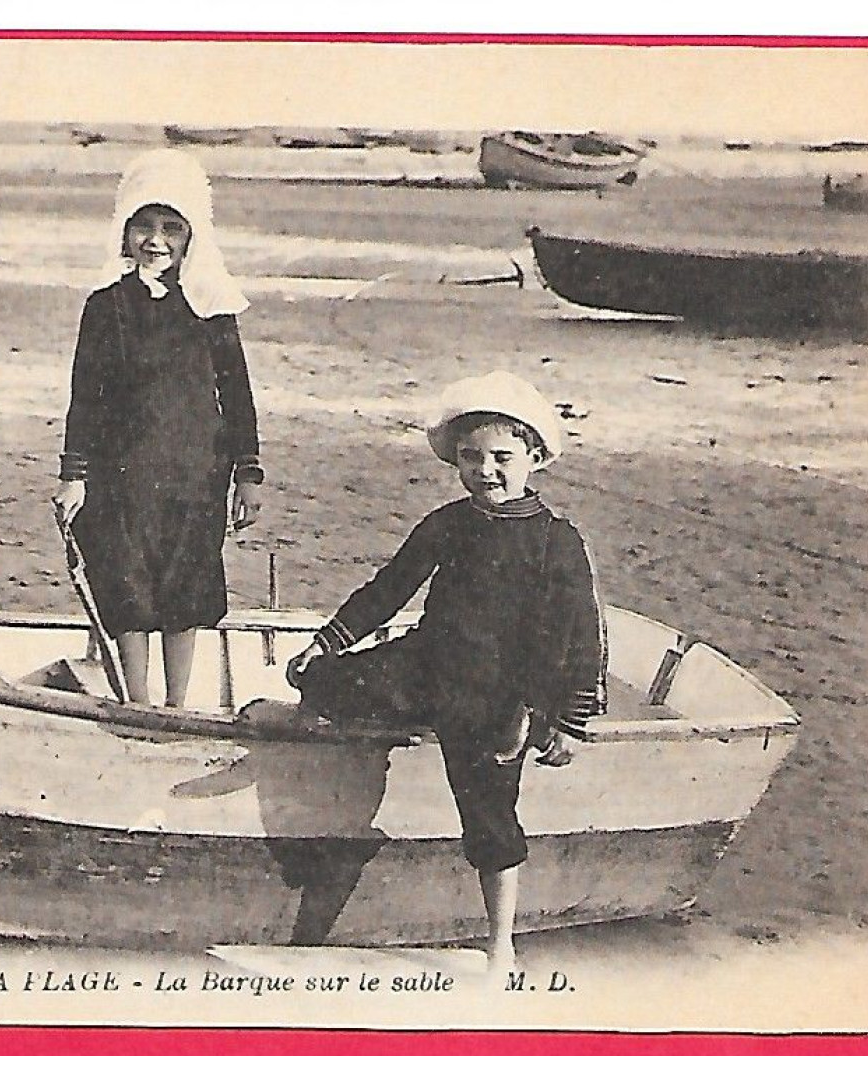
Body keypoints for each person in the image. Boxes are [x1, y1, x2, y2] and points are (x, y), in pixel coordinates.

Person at [284, 370, 606, 979]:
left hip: (498, 695)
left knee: (489, 818)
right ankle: (308, 732)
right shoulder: (447, 523)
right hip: (427, 664)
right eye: (470, 457)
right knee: (319, 677)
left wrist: (568, 720)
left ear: (535, 457)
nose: (486, 471)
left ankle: (501, 944)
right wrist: (327, 642)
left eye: (502, 458)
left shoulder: (557, 542)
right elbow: (389, 589)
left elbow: (582, 638)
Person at [54, 149, 264, 707]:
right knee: (125, 577)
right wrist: (73, 476)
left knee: (184, 580)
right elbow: (85, 398)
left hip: (195, 474)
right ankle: (138, 701)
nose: (156, 240)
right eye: (144, 226)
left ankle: (177, 703)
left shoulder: (212, 307)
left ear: (194, 235)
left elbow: (237, 394)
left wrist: (248, 473)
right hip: (120, 473)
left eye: (172, 228)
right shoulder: (105, 308)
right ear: (123, 231)